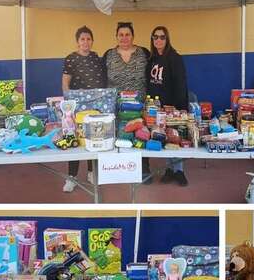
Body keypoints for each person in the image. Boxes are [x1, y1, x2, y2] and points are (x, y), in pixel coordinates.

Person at [105, 22, 152, 181]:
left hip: (139, 104)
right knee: (120, 135)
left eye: (127, 34)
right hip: (117, 105)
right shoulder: (109, 55)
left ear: (133, 36)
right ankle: (120, 169)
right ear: (116, 37)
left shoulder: (144, 53)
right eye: (121, 35)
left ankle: (144, 170)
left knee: (140, 134)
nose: (124, 38)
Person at [61, 26, 106, 193]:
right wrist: (68, 106)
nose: (85, 42)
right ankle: (71, 177)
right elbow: (65, 82)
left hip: (94, 107)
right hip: (76, 107)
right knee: (75, 140)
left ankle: (91, 172)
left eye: (88, 39)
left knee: (92, 138)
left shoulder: (96, 58)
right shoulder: (71, 59)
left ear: (92, 41)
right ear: (77, 42)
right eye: (82, 39)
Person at [147, 25, 190, 186]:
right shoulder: (152, 58)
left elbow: (181, 84)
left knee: (175, 137)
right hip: (157, 107)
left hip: (173, 107)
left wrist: (179, 108)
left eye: (162, 37)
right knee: (163, 137)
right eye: (155, 37)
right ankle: (169, 169)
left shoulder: (174, 58)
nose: (158, 40)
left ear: (167, 39)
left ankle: (179, 171)